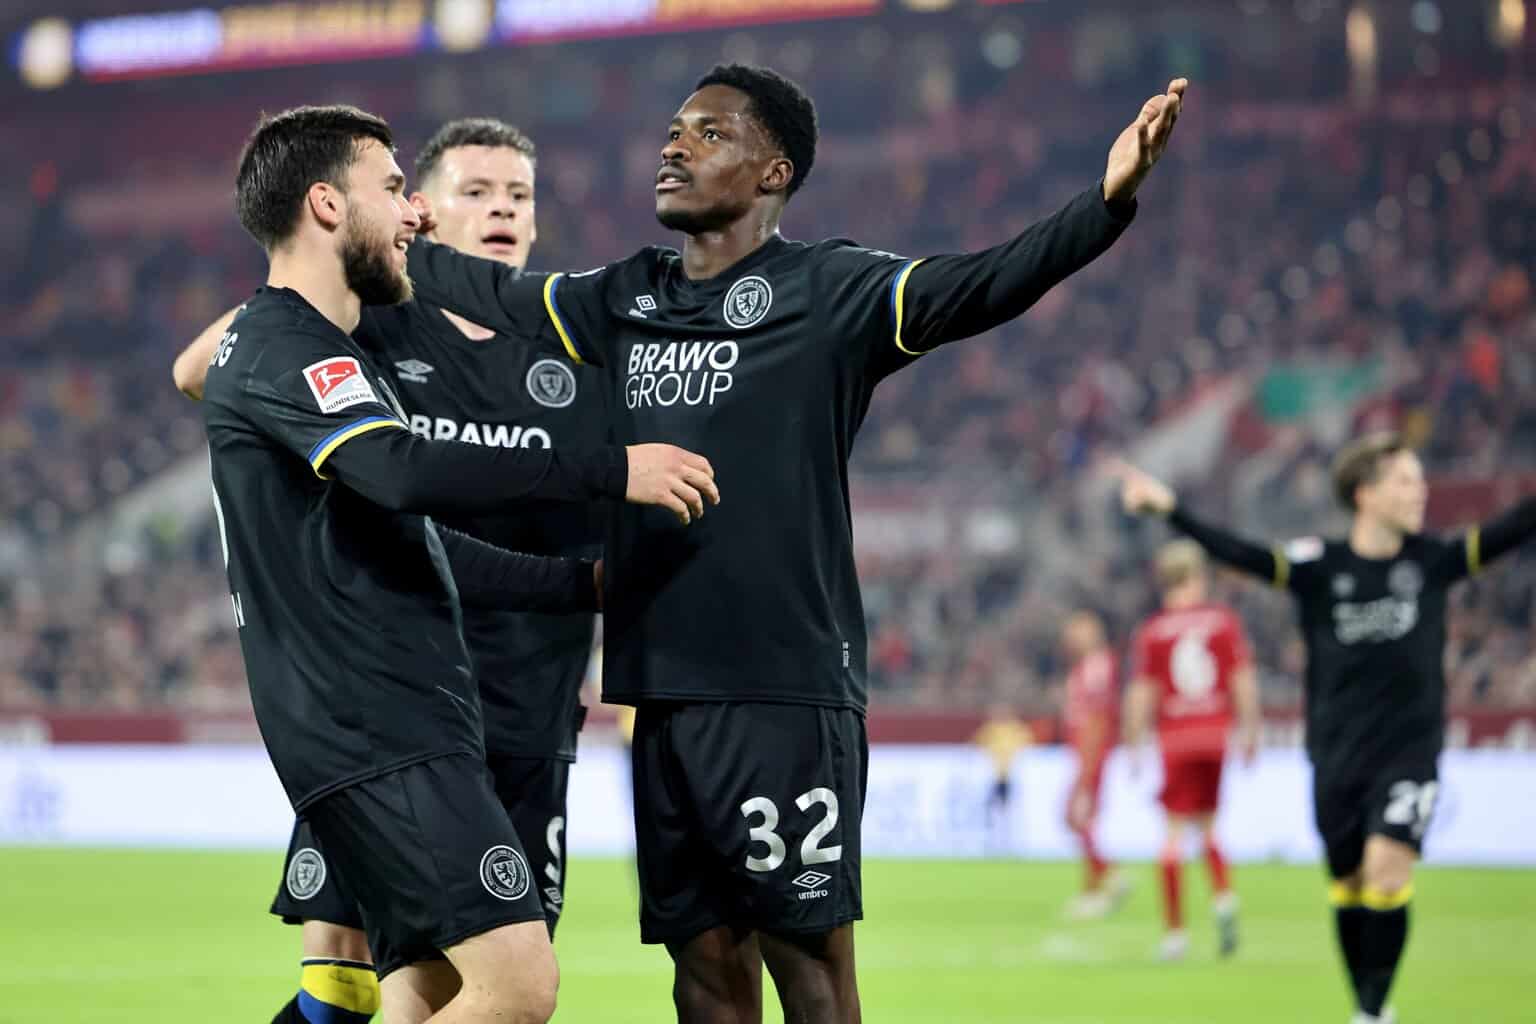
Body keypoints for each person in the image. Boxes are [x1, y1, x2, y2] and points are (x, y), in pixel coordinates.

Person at [405, 64, 1185, 1022]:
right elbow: (494, 295)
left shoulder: (828, 290)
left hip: (782, 688)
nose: (676, 144)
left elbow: (983, 283)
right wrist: (391, 234)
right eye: (675, 128)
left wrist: (1105, 203)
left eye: (710, 133)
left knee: (810, 976)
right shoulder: (623, 296)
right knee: (703, 975)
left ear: (773, 173)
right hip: (661, 693)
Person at [204, 104, 716, 1024]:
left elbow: (421, 543)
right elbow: (399, 470)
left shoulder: (544, 351)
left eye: (518, 193)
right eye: (400, 189)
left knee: (430, 993)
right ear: (328, 205)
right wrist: (612, 470)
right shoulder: (317, 343)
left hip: (469, 715)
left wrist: (584, 585)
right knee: (495, 985)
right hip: (381, 718)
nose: (416, 211)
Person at [1114, 433, 1536, 1023]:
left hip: (1408, 754)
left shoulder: (1432, 562)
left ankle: (1373, 1012)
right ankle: (1367, 1004)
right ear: (1365, 493)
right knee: (1349, 884)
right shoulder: (1319, 567)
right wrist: (1172, 511)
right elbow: (1243, 553)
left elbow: (1509, 530)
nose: (1420, 492)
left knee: (1387, 871)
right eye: (1405, 481)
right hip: (1335, 755)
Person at [1122, 540, 1259, 961]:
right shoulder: (1223, 622)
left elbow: (1142, 692)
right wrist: (1250, 729)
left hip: (1176, 739)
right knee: (1210, 828)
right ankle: (1223, 898)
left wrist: (1134, 742)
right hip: (1215, 735)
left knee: (1173, 835)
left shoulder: (1154, 631)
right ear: (1196, 577)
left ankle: (1175, 934)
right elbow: (1241, 679)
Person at [1059, 611, 1127, 920]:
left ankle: (1103, 882)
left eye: (1077, 632)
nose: (1070, 639)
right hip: (1084, 753)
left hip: (1092, 754)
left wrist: (1088, 765)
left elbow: (1098, 718)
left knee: (1079, 816)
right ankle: (1100, 882)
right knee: (1081, 819)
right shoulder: (1083, 667)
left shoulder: (1097, 666)